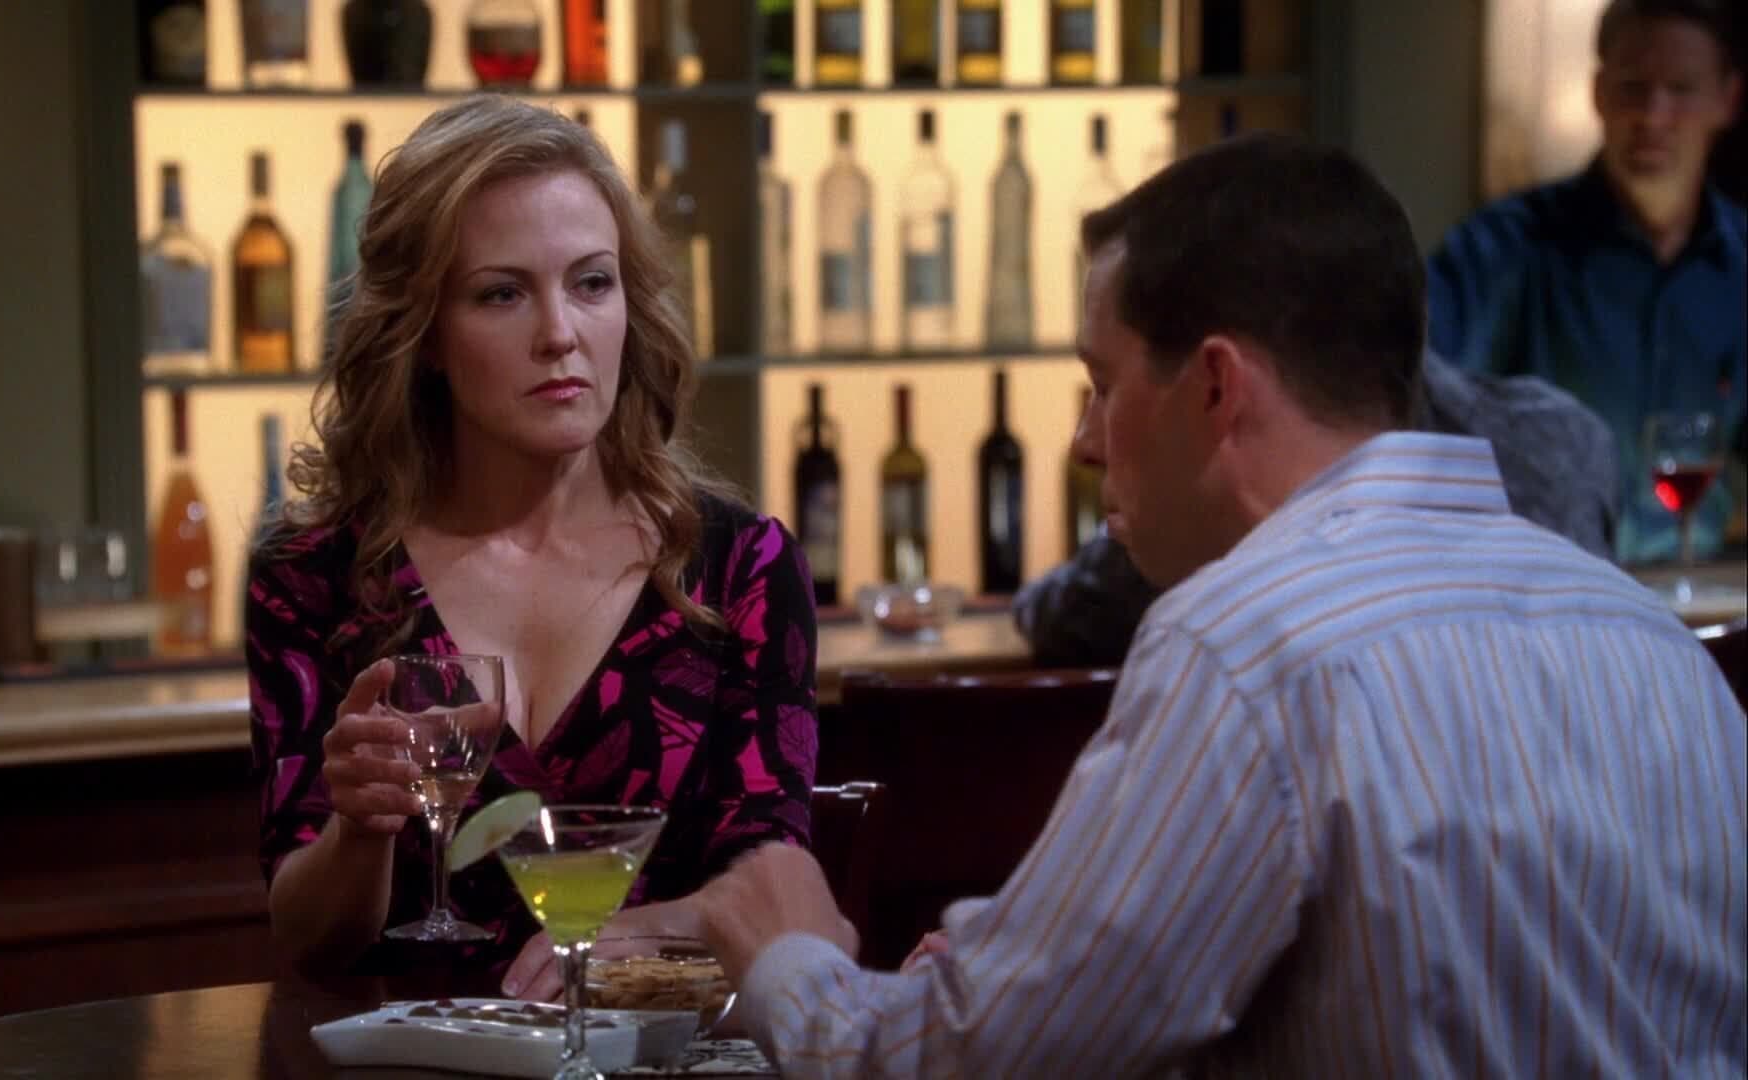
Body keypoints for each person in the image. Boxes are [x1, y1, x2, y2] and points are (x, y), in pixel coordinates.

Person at [693, 134, 1747, 1076]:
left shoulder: (1244, 649)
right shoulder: (1659, 647)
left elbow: (968, 1065)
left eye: (1103, 384)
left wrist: (790, 961)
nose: (1085, 441)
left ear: (1214, 386)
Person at [246, 97, 818, 990]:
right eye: (502, 294)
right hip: (411, 1053)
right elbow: (311, 941)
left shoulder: (738, 570)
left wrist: (637, 934)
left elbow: (776, 893)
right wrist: (359, 828)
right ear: (424, 336)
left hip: (656, 1051)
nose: (560, 334)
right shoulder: (312, 574)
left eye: (592, 283)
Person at [1014, 348, 1622, 667]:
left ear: (1223, 376)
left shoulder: (1224, 661)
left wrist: (1027, 603)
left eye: (1108, 385)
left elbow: (1077, 613)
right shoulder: (1571, 435)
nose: (1087, 443)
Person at [1429, 0, 1745, 564]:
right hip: (1542, 589)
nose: (1654, 115)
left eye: (1681, 89)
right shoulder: (1504, 248)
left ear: (1728, 100)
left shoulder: (1741, 263)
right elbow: (1410, 395)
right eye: (1633, 88)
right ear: (1598, 93)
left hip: (1701, 589)